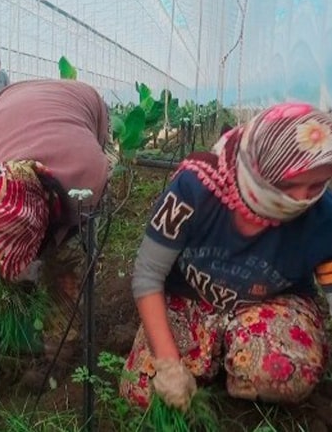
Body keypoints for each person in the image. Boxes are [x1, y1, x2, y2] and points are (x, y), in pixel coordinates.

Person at [120, 103, 332, 412]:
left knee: (285, 374)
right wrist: (168, 364)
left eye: (316, 184)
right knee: (141, 391)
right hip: (190, 300)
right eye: (287, 184)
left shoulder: (323, 216)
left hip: (270, 306)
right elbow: (148, 274)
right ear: (258, 167)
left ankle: (236, 368)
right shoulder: (195, 189)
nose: (300, 199)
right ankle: (209, 358)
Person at [0, 79, 112, 405]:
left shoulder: (88, 176)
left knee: (64, 268)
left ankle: (58, 351)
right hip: (10, 103)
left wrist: (52, 255)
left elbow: (69, 237)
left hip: (81, 103)